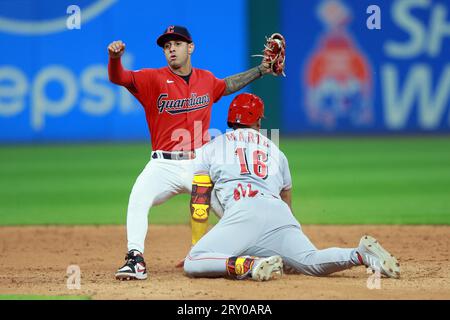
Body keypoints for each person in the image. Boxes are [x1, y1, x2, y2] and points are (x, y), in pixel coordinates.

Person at [108, 26, 280, 280]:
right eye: (167, 47)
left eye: (176, 44)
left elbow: (227, 85)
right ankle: (135, 258)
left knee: (229, 210)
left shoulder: (206, 79)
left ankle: (265, 251)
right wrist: (115, 59)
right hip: (163, 164)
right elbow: (118, 77)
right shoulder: (152, 79)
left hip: (200, 163)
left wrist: (260, 71)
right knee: (137, 200)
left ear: (190, 48)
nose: (171, 50)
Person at [183, 93, 401, 281]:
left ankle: (249, 265)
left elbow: (201, 197)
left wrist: (199, 240)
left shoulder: (212, 146)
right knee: (309, 260)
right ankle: (359, 255)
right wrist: (289, 239)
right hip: (279, 213)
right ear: (258, 122)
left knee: (194, 260)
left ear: (230, 120)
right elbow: (286, 200)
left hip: (243, 211)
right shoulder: (276, 151)